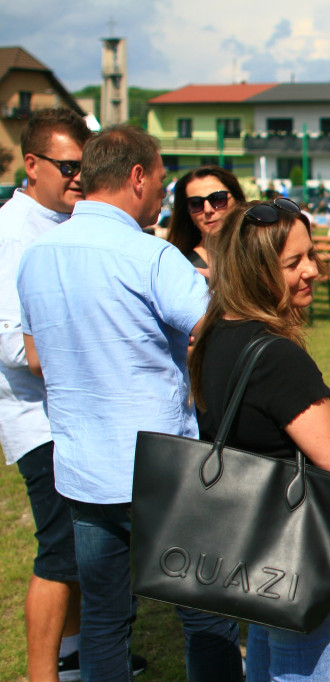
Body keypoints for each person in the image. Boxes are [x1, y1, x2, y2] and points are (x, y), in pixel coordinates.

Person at [17, 124, 243, 681]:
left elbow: (37, 353)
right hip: (162, 467)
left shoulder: (37, 255)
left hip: (83, 467)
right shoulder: (151, 257)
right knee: (206, 617)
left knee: (103, 618)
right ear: (138, 176)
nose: (166, 194)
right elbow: (218, 331)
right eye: (164, 180)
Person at [188, 197, 330, 682]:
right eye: (293, 262)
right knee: (306, 670)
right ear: (255, 271)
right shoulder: (277, 357)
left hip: (254, 546)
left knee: (266, 665)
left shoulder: (219, 332)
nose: (313, 270)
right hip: (302, 552)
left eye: (311, 255)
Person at [0, 108, 93, 682]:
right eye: (67, 166)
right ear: (31, 164)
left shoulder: (67, 221)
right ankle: (43, 675)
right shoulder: (12, 232)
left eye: (86, 166)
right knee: (60, 551)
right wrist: (92, 355)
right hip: (40, 420)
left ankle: (76, 652)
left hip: (77, 417)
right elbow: (10, 342)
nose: (79, 177)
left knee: (82, 549)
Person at [167, 165, 246, 278]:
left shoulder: (262, 254)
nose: (208, 209)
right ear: (187, 213)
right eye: (195, 203)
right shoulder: (184, 269)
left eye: (218, 199)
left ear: (238, 201)